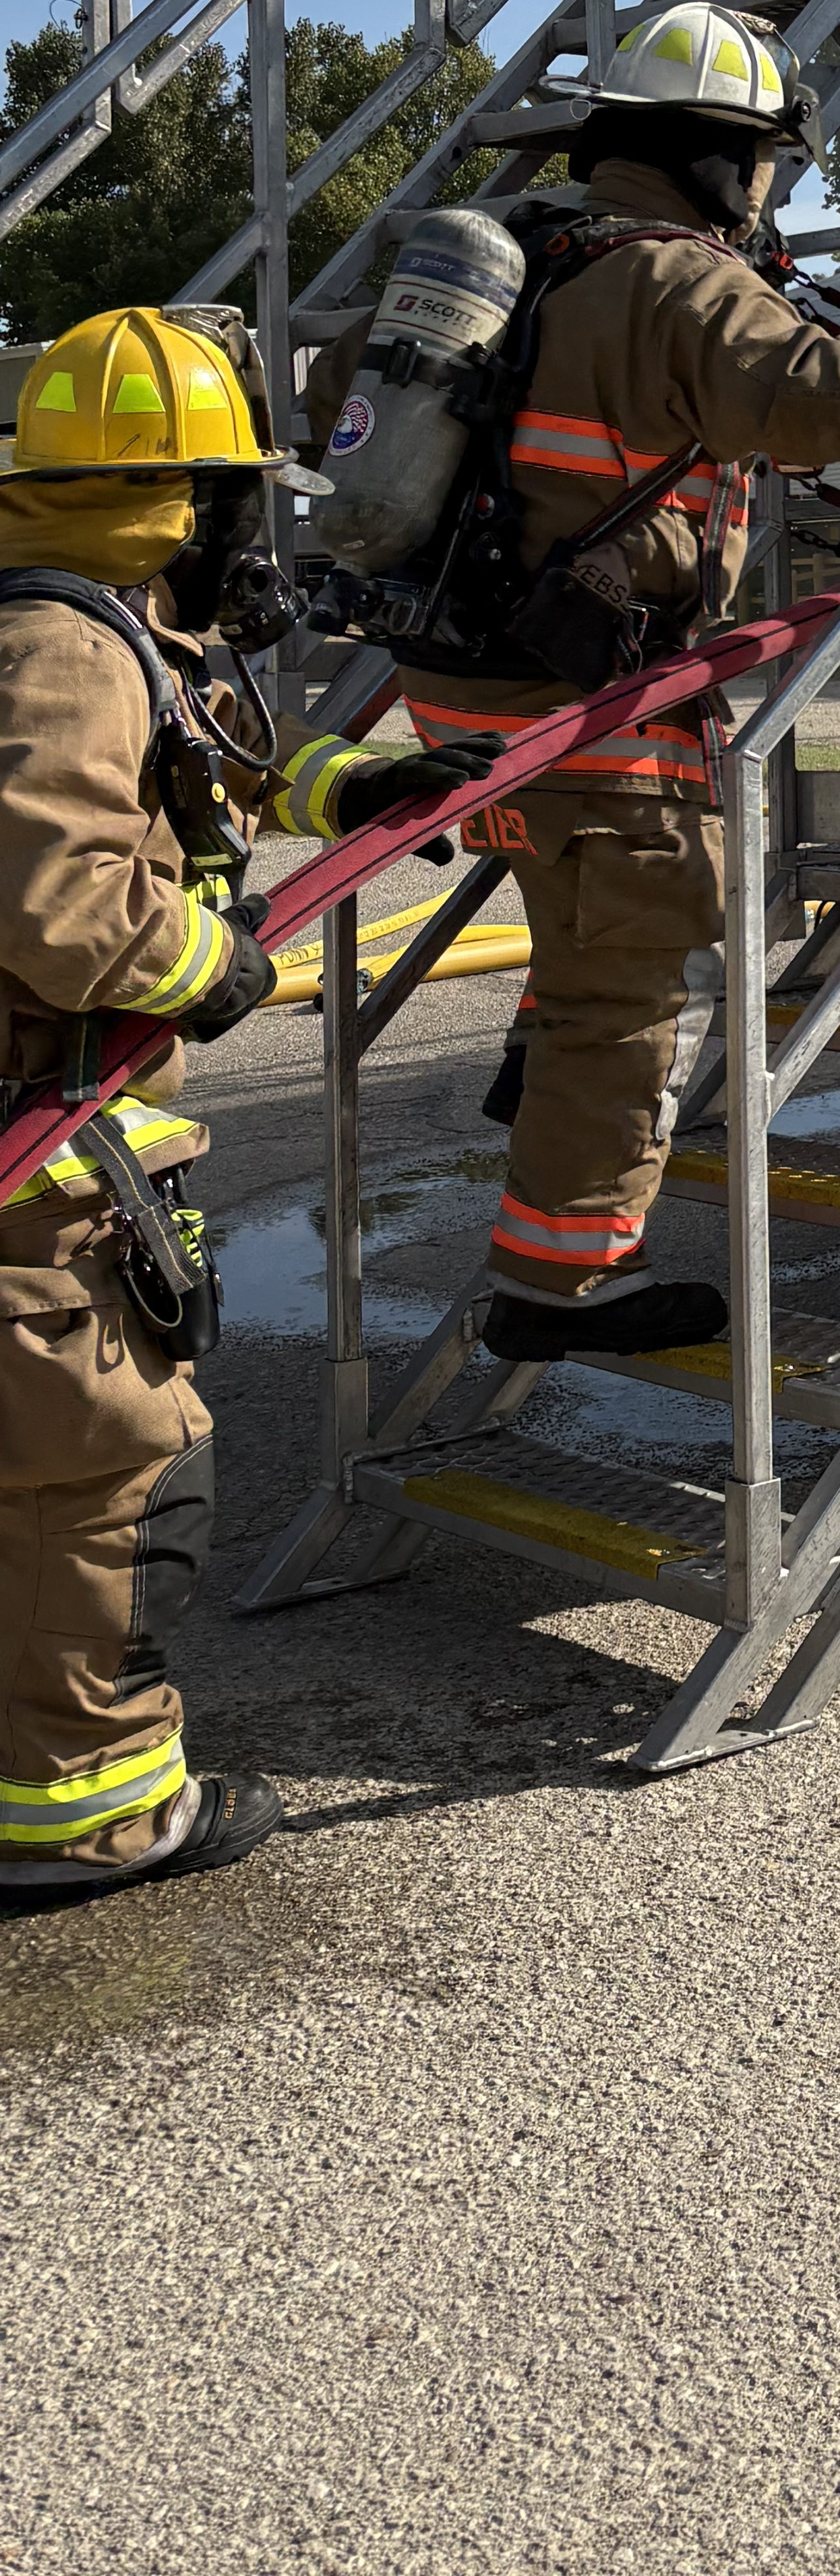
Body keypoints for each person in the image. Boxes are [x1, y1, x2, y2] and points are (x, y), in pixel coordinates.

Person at [316, 0, 840, 1364]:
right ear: (711, 159)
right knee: (629, 990)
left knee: (587, 911)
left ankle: (533, 1065)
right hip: (598, 714)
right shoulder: (676, 279)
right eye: (760, 164)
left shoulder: (525, 253)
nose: (763, 193)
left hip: (465, 693)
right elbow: (810, 395)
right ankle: (554, 1283)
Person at [0, 306, 462, 1903]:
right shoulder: (66, 647)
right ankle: (91, 1814)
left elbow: (208, 764)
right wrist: (203, 958)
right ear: (176, 506)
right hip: (32, 1150)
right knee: (102, 1476)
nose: (257, 541)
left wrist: (355, 792)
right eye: (239, 504)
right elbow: (57, 898)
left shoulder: (93, 621)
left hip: (52, 1131)